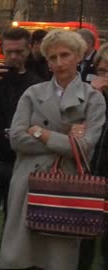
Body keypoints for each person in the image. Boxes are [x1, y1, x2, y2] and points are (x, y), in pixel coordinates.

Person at [0, 29, 106, 270]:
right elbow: (16, 138)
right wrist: (64, 139)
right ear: (46, 61)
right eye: (52, 57)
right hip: (27, 182)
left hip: (66, 189)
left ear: (78, 56)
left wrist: (40, 132)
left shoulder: (93, 99)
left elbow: (85, 147)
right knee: (19, 259)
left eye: (65, 55)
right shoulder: (32, 94)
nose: (59, 63)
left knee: (57, 259)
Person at [0, 27, 42, 270]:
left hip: (21, 162)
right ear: (1, 50)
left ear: (29, 50)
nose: (13, 57)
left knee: (15, 225)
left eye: (19, 52)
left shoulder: (36, 83)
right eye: (9, 52)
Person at [76, 43, 108, 270]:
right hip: (90, 178)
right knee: (83, 243)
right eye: (102, 71)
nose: (104, 77)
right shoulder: (93, 98)